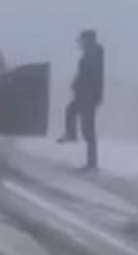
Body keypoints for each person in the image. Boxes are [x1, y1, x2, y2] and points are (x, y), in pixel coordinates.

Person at [57, 29, 104, 170]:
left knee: (88, 129)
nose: (81, 44)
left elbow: (93, 77)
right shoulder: (90, 55)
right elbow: (84, 75)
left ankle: (92, 163)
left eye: (83, 40)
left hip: (88, 97)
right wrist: (76, 83)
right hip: (83, 95)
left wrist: (96, 95)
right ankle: (71, 135)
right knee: (71, 111)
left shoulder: (94, 56)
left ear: (89, 40)